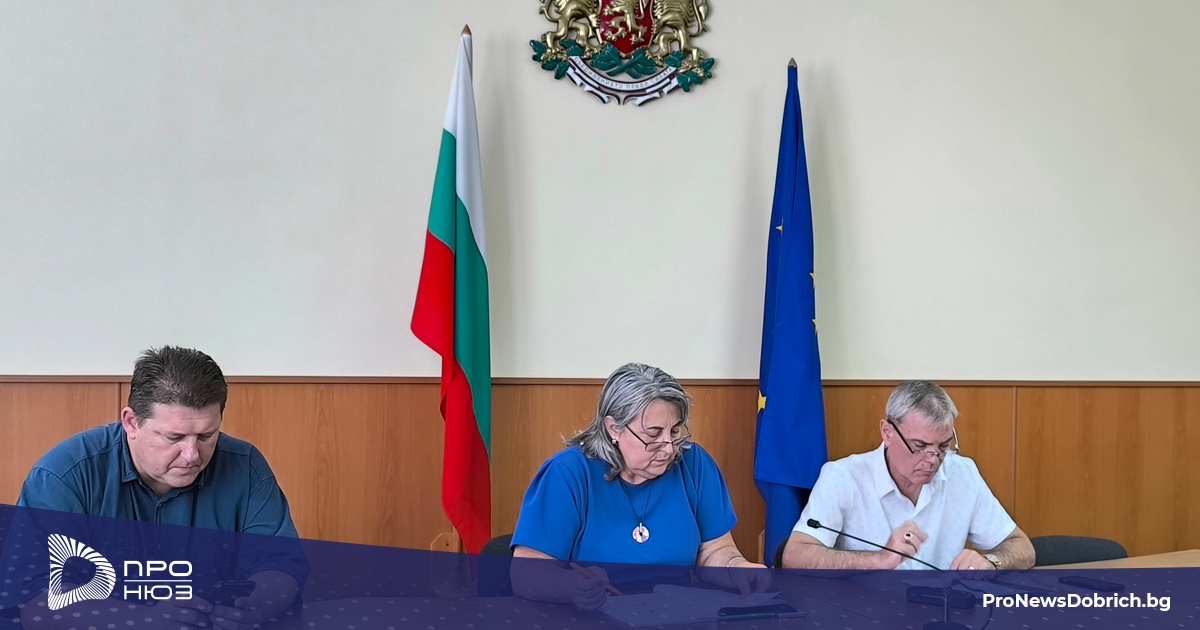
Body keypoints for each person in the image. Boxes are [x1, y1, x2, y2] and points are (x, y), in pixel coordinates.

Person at [4, 346, 306, 630]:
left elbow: (281, 564)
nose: (192, 455)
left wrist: (257, 606)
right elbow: (35, 601)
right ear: (131, 423)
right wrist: (143, 620)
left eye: (206, 436)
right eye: (174, 438)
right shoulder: (64, 474)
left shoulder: (246, 465)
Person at [510, 363, 771, 610]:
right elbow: (526, 572)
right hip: (588, 615)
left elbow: (715, 550)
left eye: (675, 432)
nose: (668, 449)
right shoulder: (568, 472)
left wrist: (737, 568)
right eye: (653, 434)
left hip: (677, 614)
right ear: (614, 428)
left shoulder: (694, 464)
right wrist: (570, 587)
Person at [782, 380, 1035, 571]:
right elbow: (795, 555)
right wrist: (878, 560)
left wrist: (991, 562)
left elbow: (1022, 548)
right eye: (920, 446)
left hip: (942, 613)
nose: (933, 459)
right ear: (887, 432)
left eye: (943, 446)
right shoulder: (843, 477)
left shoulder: (963, 474)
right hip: (864, 613)